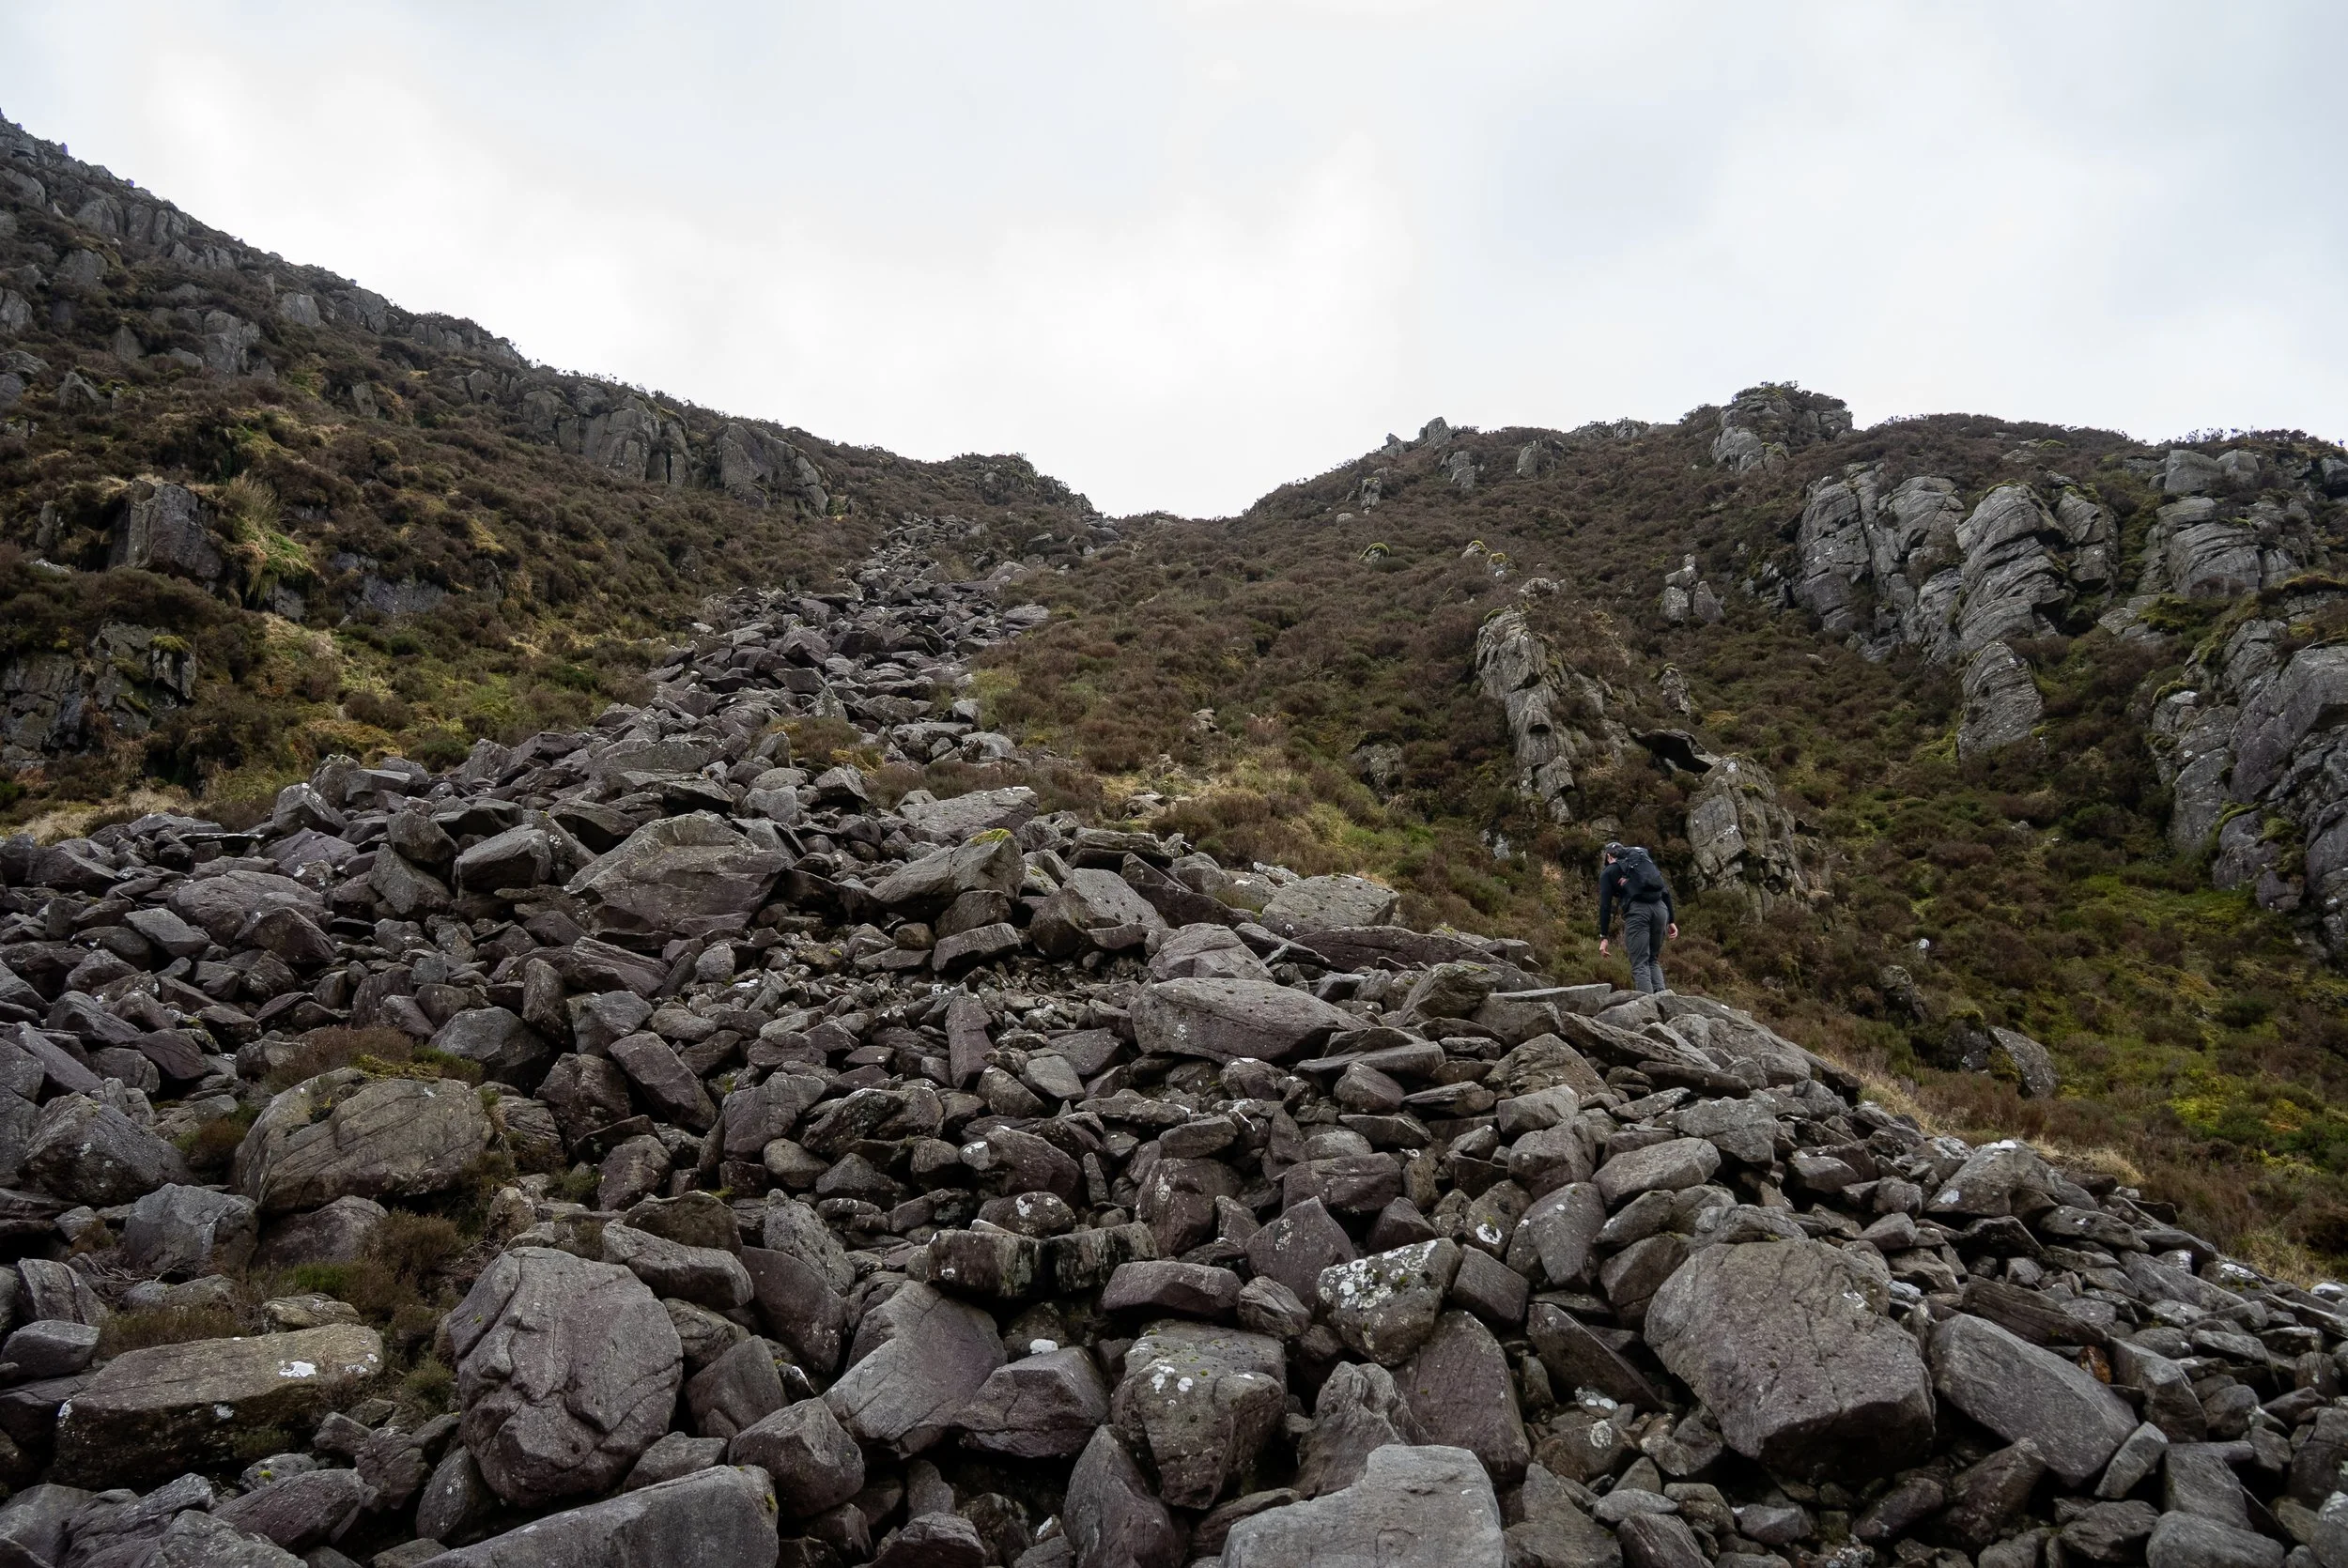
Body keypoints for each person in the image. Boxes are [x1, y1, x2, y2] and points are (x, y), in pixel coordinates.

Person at [1596, 840, 1677, 994]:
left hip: (1638, 911)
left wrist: (1604, 936)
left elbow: (1605, 906)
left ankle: (1647, 1010)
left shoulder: (1608, 872)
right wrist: (1671, 920)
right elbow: (1665, 890)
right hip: (1661, 909)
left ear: (1608, 856)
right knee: (1652, 959)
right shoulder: (1642, 864)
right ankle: (1664, 1000)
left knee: (1640, 962)